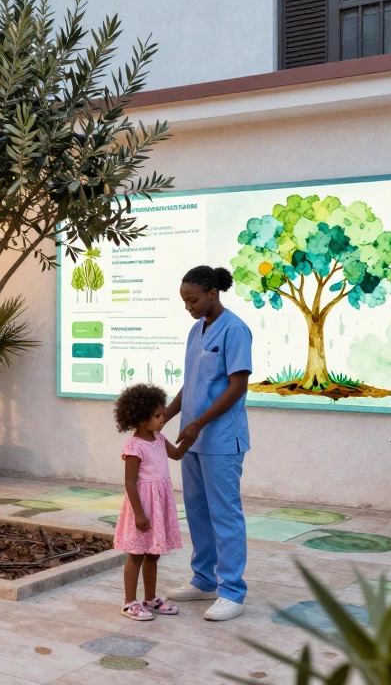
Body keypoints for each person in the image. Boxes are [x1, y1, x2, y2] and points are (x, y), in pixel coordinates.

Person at [164, 265, 253, 622]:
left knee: (225, 514)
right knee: (197, 511)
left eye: (193, 300)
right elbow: (191, 383)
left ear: (212, 294)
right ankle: (203, 580)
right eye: (185, 301)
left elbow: (238, 386)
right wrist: (165, 416)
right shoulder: (195, 330)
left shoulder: (235, 330)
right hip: (193, 438)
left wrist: (199, 423)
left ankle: (232, 591)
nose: (189, 307)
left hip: (220, 439)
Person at [112, 383, 186, 621]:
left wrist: (191, 437)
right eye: (157, 415)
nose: (163, 418)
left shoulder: (159, 438)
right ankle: (129, 603)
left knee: (153, 554)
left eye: (162, 413)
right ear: (142, 419)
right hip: (143, 507)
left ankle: (150, 599)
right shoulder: (134, 447)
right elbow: (130, 482)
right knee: (136, 554)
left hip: (159, 506)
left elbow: (176, 455)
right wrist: (139, 514)